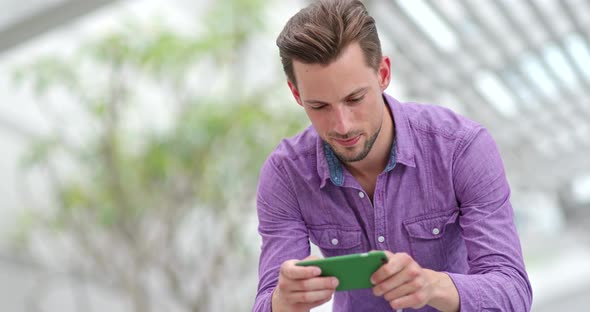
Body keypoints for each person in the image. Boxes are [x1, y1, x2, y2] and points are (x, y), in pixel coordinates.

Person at [253, 0, 532, 311]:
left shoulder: (461, 149)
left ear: (383, 73)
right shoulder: (285, 175)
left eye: (355, 98)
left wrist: (432, 286)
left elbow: (513, 292)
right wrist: (282, 302)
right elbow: (266, 301)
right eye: (319, 106)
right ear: (296, 94)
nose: (342, 125)